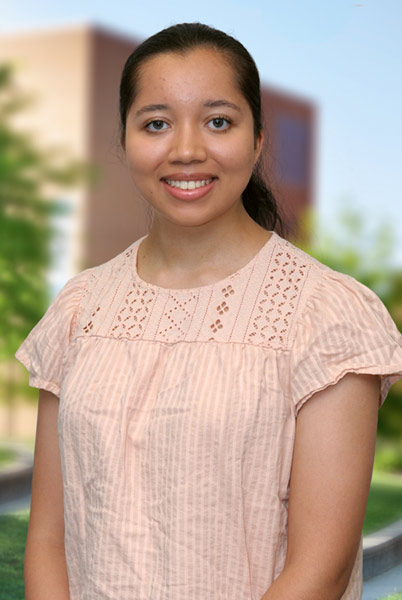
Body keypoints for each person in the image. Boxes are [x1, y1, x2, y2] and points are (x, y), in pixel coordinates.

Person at [16, 22, 402, 600]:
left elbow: (319, 570)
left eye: (218, 120)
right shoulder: (79, 309)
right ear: (123, 141)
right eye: (156, 123)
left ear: (258, 139)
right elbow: (47, 539)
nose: (188, 149)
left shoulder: (326, 315)